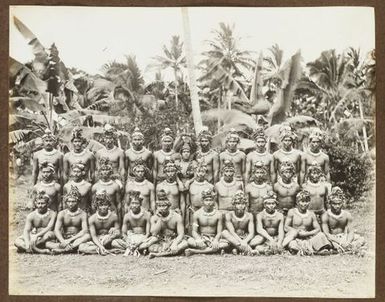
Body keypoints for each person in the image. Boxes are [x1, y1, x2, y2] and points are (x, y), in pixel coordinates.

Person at [282, 190, 331, 255]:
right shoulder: (292, 212)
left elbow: (318, 229)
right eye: (302, 201)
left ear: (309, 202)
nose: (304, 204)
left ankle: (310, 250)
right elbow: (286, 227)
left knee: (321, 235)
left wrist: (307, 234)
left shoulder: (311, 214)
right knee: (292, 245)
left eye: (306, 201)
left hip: (307, 238)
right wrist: (296, 232)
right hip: (295, 238)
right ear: (297, 202)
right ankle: (313, 251)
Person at [143, 190, 188, 258]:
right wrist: (160, 219)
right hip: (161, 241)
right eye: (159, 206)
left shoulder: (177, 217)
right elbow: (154, 233)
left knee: (185, 244)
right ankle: (168, 252)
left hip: (174, 239)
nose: (161, 208)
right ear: (157, 207)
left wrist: (175, 243)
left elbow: (181, 234)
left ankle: (158, 254)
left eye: (164, 206)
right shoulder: (154, 218)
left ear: (169, 206)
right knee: (151, 248)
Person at [46, 186, 91, 254]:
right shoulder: (62, 213)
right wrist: (63, 241)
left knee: (87, 236)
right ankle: (72, 248)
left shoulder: (83, 214)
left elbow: (84, 230)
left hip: (77, 238)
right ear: (66, 202)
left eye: (73, 201)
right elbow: (56, 230)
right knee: (47, 244)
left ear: (78, 202)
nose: (70, 204)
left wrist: (70, 240)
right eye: (69, 201)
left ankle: (65, 250)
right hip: (64, 237)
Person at [321, 187, 366, 254]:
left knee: (361, 239)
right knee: (323, 240)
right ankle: (345, 248)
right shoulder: (326, 215)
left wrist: (348, 242)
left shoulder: (347, 215)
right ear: (330, 203)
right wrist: (340, 242)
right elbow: (326, 234)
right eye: (334, 204)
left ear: (342, 202)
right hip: (332, 238)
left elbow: (351, 231)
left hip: (343, 237)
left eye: (339, 203)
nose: (337, 206)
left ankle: (346, 247)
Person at [185, 188, 229, 256]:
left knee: (226, 244)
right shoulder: (197, 214)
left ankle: (195, 251)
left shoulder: (218, 214)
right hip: (202, 237)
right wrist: (198, 239)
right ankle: (213, 250)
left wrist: (216, 240)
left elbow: (219, 232)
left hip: (213, 237)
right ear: (202, 201)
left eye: (210, 200)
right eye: (206, 200)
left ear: (213, 201)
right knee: (190, 241)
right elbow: (194, 231)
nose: (209, 203)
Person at [78, 190, 121, 255]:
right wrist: (100, 246)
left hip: (109, 239)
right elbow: (94, 236)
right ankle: (108, 250)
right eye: (101, 205)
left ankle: (99, 250)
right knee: (81, 247)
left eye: (105, 205)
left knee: (115, 242)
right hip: (97, 240)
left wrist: (114, 230)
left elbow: (118, 233)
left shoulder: (114, 216)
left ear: (109, 206)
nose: (103, 207)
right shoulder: (92, 218)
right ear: (97, 207)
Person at [111, 191, 151, 256]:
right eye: (132, 203)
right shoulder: (127, 216)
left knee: (148, 244)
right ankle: (135, 248)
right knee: (114, 242)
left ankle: (133, 248)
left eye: (136, 203)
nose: (134, 206)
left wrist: (139, 242)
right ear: (130, 204)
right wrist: (129, 241)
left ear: (140, 204)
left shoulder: (147, 215)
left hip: (142, 237)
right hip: (131, 237)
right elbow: (124, 233)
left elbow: (148, 233)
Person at [221, 190, 255, 255]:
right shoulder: (229, 215)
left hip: (244, 237)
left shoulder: (249, 215)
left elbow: (251, 233)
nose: (240, 206)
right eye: (238, 204)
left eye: (243, 203)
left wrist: (244, 241)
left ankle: (235, 248)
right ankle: (248, 250)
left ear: (245, 205)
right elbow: (232, 232)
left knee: (257, 240)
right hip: (233, 238)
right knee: (224, 232)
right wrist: (241, 242)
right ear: (234, 205)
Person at [186, 159, 214, 230]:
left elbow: (213, 203)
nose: (200, 174)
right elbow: (187, 204)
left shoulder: (210, 186)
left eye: (203, 172)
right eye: (198, 172)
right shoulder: (190, 185)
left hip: (205, 213)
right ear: (195, 173)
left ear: (206, 173)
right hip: (192, 211)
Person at [95, 124, 125, 189]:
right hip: (102, 178)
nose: (108, 141)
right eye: (106, 138)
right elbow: (98, 168)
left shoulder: (120, 152)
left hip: (115, 178)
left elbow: (122, 168)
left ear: (114, 139)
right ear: (104, 139)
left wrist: (122, 180)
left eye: (110, 138)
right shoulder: (99, 153)